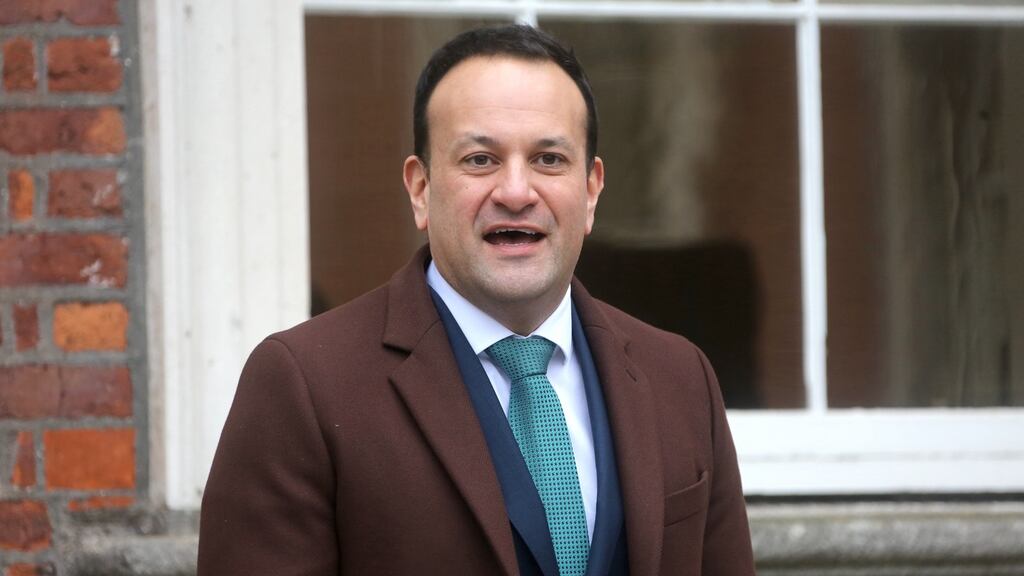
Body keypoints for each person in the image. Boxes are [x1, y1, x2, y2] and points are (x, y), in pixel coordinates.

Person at [198, 24, 755, 576]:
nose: (515, 192)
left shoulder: (681, 378)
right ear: (420, 189)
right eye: (480, 160)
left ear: (590, 191)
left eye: (549, 159)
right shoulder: (303, 385)